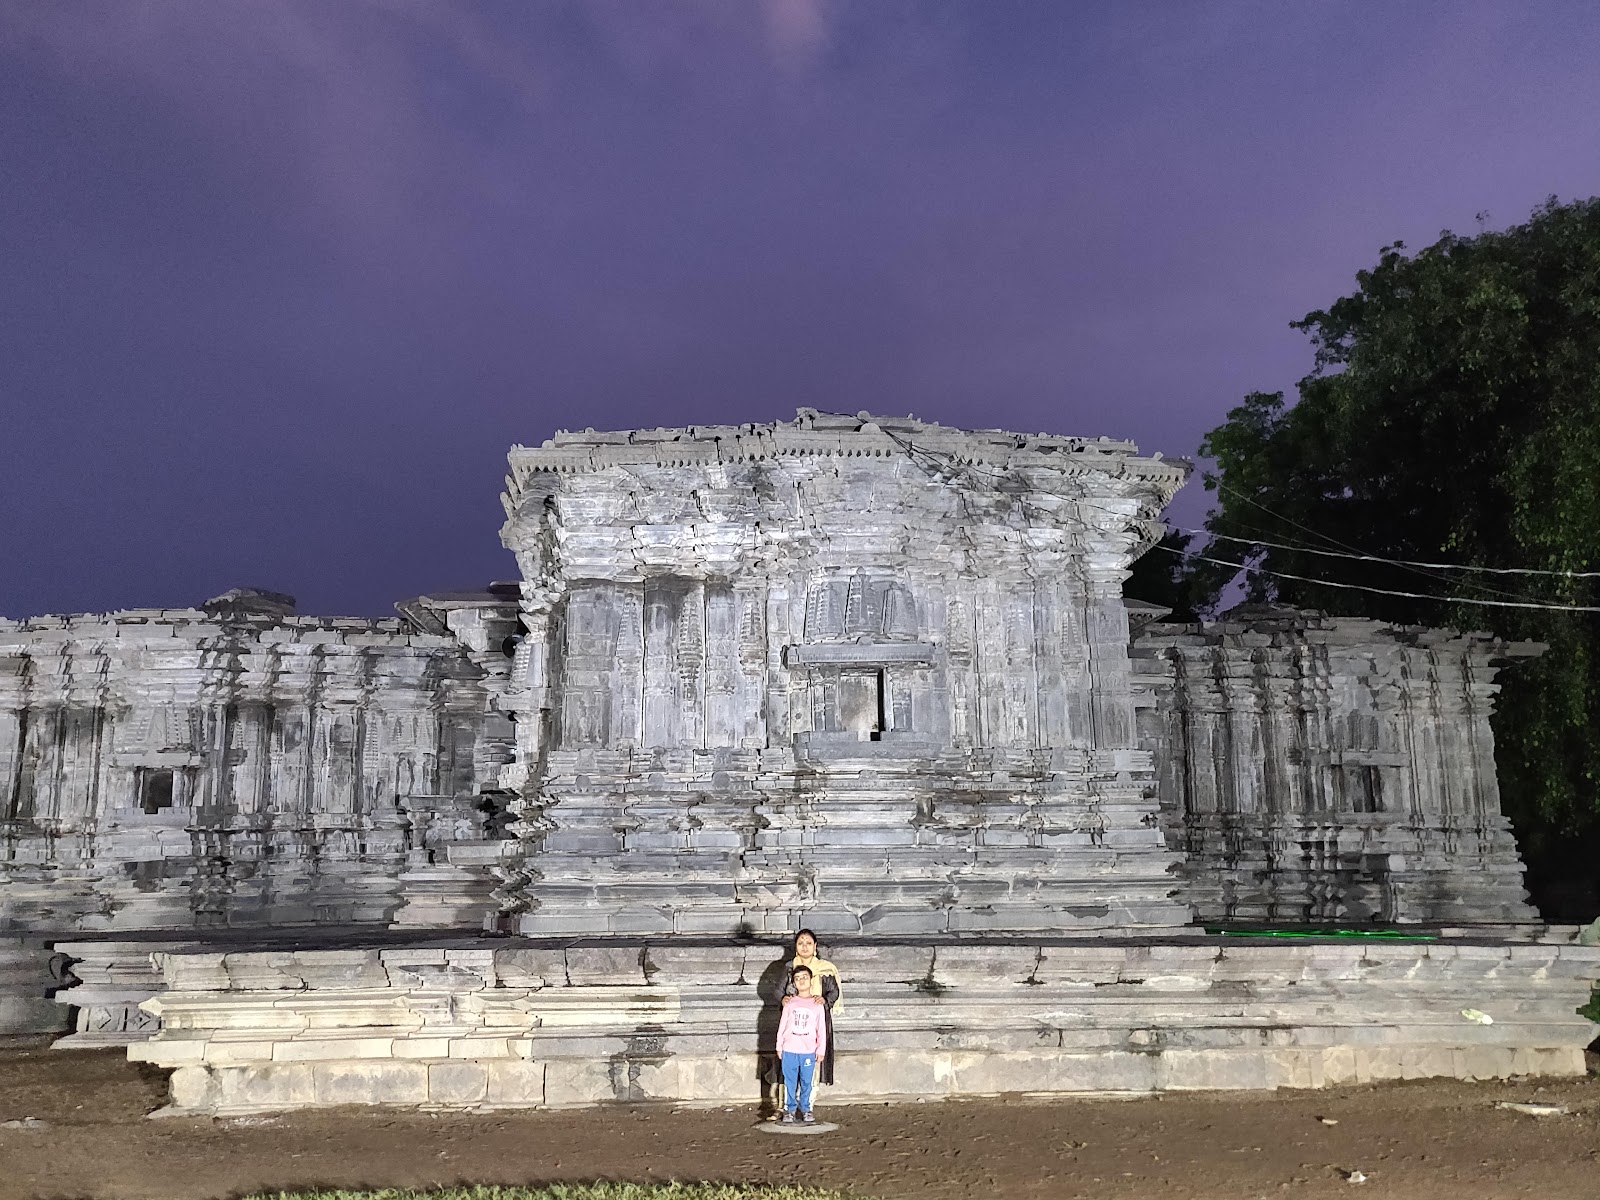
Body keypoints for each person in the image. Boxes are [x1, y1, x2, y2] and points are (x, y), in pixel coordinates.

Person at [782, 929, 841, 1084]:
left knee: (815, 1060)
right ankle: (788, 1102)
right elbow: (778, 989)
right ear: (795, 946)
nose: (804, 947)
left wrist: (824, 1001)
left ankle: (809, 1099)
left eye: (808, 943)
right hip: (793, 1021)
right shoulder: (789, 967)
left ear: (815, 946)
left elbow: (834, 991)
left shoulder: (825, 969)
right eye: (800, 943)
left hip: (817, 1018)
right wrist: (784, 999)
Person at [775, 964, 828, 1123]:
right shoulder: (790, 1003)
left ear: (811, 980)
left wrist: (821, 1049)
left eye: (805, 977)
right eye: (797, 978)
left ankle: (806, 1108)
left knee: (807, 1081)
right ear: (793, 983)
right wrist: (779, 1045)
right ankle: (790, 1109)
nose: (801, 981)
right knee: (789, 1081)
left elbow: (821, 1028)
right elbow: (783, 1025)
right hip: (790, 1048)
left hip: (808, 1050)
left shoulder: (817, 1004)